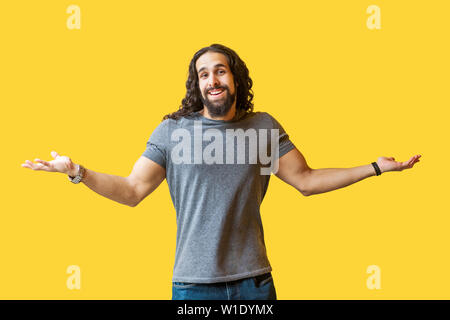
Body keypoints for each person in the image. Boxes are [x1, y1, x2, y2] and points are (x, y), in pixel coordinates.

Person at [21, 43, 421, 300]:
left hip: (254, 283)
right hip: (194, 285)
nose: (213, 79)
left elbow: (306, 180)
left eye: (221, 70)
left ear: (235, 77)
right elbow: (132, 191)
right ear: (197, 84)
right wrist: (77, 172)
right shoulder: (174, 130)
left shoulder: (262, 127)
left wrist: (374, 168)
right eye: (204, 73)